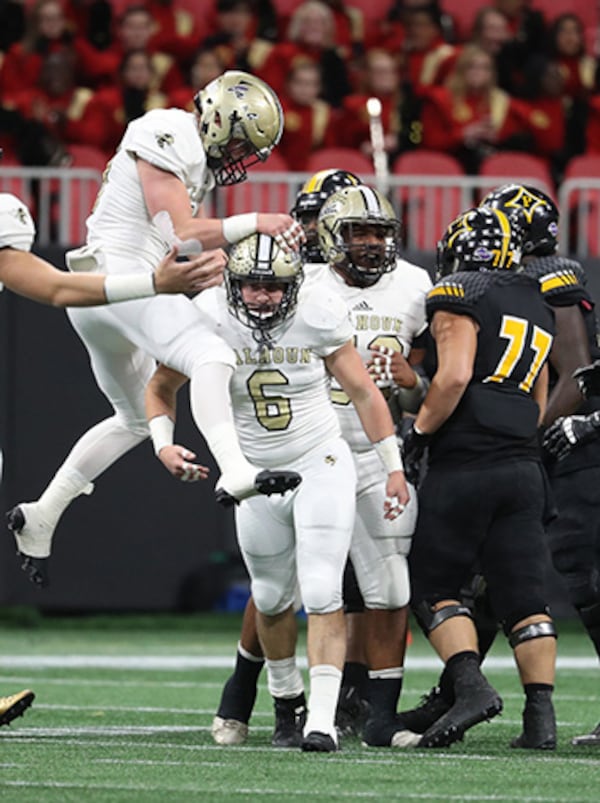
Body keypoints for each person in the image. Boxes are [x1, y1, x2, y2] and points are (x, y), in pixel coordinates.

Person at [6, 70, 305, 588]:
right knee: (210, 353)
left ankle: (41, 515)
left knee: (134, 418)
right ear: (214, 119)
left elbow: (184, 243)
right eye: (238, 141)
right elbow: (184, 230)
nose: (239, 155)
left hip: (108, 290)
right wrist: (257, 221)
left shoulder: (193, 158)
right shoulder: (168, 129)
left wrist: (209, 265)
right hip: (119, 277)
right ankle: (234, 469)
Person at [145, 232, 411, 753]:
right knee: (268, 596)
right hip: (254, 469)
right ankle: (286, 702)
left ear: (293, 286)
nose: (263, 296)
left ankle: (322, 720)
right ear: (232, 285)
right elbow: (159, 386)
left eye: (273, 287)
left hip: (319, 458)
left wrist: (393, 466)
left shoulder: (317, 307)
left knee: (321, 589)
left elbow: (362, 391)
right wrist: (163, 445)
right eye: (252, 286)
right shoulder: (209, 316)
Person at [211, 178, 431, 748]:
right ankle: (257, 696)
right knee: (276, 586)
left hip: (354, 449)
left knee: (377, 586)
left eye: (377, 232)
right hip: (288, 445)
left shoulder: (413, 285)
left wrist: (410, 384)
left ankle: (355, 711)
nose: (368, 244)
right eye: (354, 231)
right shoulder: (292, 284)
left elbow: (409, 387)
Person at [400, 183, 599, 747]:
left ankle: (468, 688)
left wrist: (419, 431)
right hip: (522, 458)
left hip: (473, 454)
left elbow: (456, 376)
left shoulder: (460, 291)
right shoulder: (533, 297)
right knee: (521, 594)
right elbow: (539, 387)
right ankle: (537, 718)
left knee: (436, 583)